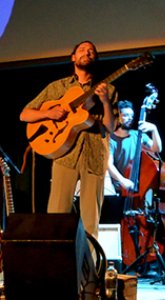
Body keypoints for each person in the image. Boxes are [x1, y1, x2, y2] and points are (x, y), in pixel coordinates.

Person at [19, 40, 118, 239]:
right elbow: (25, 115)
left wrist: (105, 101)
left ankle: (88, 269)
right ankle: (56, 267)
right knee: (56, 216)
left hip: (94, 156)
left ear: (95, 58)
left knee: (90, 222)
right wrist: (48, 114)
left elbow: (110, 127)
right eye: (82, 49)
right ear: (73, 57)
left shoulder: (108, 89)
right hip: (65, 154)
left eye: (91, 51)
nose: (87, 53)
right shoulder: (58, 87)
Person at [100, 99, 162, 224]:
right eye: (125, 115)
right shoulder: (110, 139)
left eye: (131, 116)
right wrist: (122, 181)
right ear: (118, 117)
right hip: (116, 188)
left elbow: (157, 149)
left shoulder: (137, 135)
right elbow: (108, 164)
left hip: (137, 189)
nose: (129, 118)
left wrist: (154, 129)